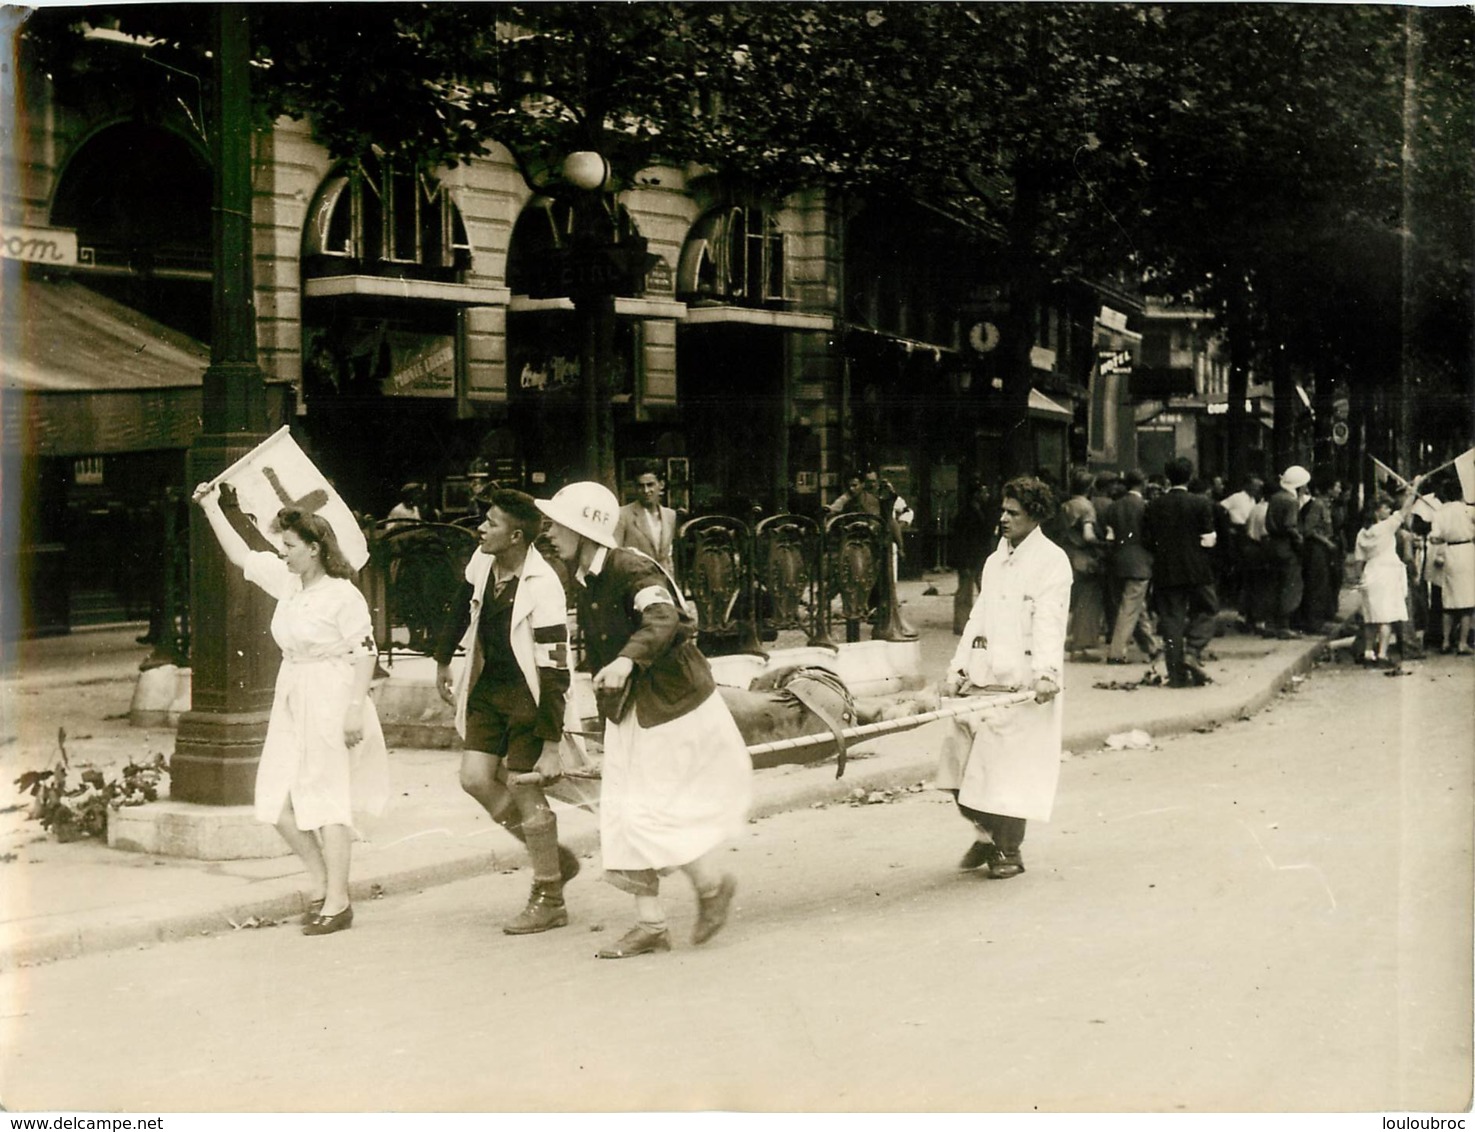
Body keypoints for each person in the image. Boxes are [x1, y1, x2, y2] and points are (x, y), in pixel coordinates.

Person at [538, 481, 753, 958]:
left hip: (673, 705)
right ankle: (652, 924)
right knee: (624, 812)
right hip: (634, 707)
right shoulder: (587, 575)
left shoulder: (629, 566)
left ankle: (710, 887)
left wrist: (627, 659)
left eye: (556, 523)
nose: (548, 531)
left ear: (583, 529)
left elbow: (663, 616)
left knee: (648, 810)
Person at [192, 483, 389, 936]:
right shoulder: (289, 584)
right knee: (277, 800)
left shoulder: (342, 594)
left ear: (315, 549)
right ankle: (321, 884)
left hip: (333, 694)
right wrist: (210, 507)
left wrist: (355, 709)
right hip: (293, 695)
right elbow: (243, 556)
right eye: (281, 547)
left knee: (327, 795)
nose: (283, 554)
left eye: (290, 547)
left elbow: (366, 652)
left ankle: (337, 901)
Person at [432, 489, 581, 935]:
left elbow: (555, 670)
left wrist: (551, 745)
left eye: (491, 523)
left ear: (515, 536)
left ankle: (550, 895)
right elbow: (462, 605)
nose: (481, 527)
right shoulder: (483, 562)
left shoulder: (544, 585)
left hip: (529, 698)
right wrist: (442, 660)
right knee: (475, 778)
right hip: (489, 688)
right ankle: (552, 857)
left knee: (523, 787)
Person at [937, 476, 1071, 880]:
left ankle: (1008, 851)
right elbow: (978, 616)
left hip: (1025, 686)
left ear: (1035, 515)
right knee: (959, 770)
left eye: (1013, 512)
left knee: (1007, 775)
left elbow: (1050, 621)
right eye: (1003, 510)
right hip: (982, 678)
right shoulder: (995, 561)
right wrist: (957, 668)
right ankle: (986, 831)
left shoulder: (1052, 562)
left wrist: (1046, 673)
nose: (1003, 518)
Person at [1142, 456, 1219, 687]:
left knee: (1171, 620)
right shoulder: (1200, 503)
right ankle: (1193, 650)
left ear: (1167, 477)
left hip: (1165, 569)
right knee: (1208, 608)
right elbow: (1208, 539)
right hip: (1197, 568)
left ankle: (1176, 675)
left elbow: (1147, 540)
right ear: (1191, 476)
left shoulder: (1154, 505)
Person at [1355, 478, 1423, 666]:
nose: (1388, 511)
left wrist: (1359, 578)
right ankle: (1382, 654)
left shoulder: (1362, 532)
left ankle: (1369, 652)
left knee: (1371, 617)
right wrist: (1415, 487)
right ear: (1377, 510)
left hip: (1370, 572)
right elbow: (1405, 509)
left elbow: (1359, 558)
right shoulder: (1386, 527)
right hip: (1387, 572)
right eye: (1385, 508)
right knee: (1386, 617)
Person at [1102, 469, 1162, 666]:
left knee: (1135, 607)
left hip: (1117, 561)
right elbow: (1151, 537)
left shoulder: (1113, 507)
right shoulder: (1146, 507)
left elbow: (1109, 536)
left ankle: (1151, 647)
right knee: (1130, 608)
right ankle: (1117, 652)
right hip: (1140, 563)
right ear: (1143, 483)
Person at [1056, 469, 1106, 657]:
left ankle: (1068, 638)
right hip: (1083, 558)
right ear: (1090, 487)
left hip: (1067, 554)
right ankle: (1082, 645)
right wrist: (1102, 544)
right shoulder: (1086, 507)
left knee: (1071, 600)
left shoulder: (1066, 506)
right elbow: (1088, 534)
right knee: (1088, 601)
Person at [1262, 464, 1310, 639]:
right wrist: (1299, 541)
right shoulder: (1291, 501)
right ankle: (1284, 625)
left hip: (1272, 545)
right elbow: (1290, 526)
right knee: (1290, 585)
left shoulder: (1275, 498)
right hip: (1286, 546)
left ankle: (1270, 624)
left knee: (1273, 584)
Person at [1428, 484, 1475, 655]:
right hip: (1467, 551)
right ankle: (1462, 643)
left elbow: (1434, 538)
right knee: (1467, 601)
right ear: (1461, 494)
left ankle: (1446, 641)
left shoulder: (1440, 513)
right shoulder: (1468, 510)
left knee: (1449, 601)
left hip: (1450, 552)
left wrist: (1445, 537)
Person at [613, 462, 679, 581]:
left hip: (663, 583)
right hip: (635, 584)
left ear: (661, 485)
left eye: (650, 485)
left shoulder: (670, 515)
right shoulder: (623, 514)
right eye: (640, 486)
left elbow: (668, 556)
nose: (645, 490)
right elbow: (616, 556)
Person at [950, 480, 997, 635]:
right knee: (965, 591)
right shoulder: (969, 513)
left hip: (977, 558)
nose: (987, 495)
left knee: (977, 589)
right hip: (970, 558)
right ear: (976, 495)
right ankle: (961, 624)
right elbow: (965, 540)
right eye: (984, 492)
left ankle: (974, 621)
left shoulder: (977, 511)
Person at [1298, 472, 1340, 631]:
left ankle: (1321, 618)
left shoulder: (1327, 505)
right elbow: (1309, 530)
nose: (1339, 490)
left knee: (1324, 584)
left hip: (1324, 548)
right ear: (1328, 489)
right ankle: (1313, 623)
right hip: (1316, 549)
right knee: (1316, 584)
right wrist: (1327, 542)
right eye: (1336, 486)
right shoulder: (1317, 505)